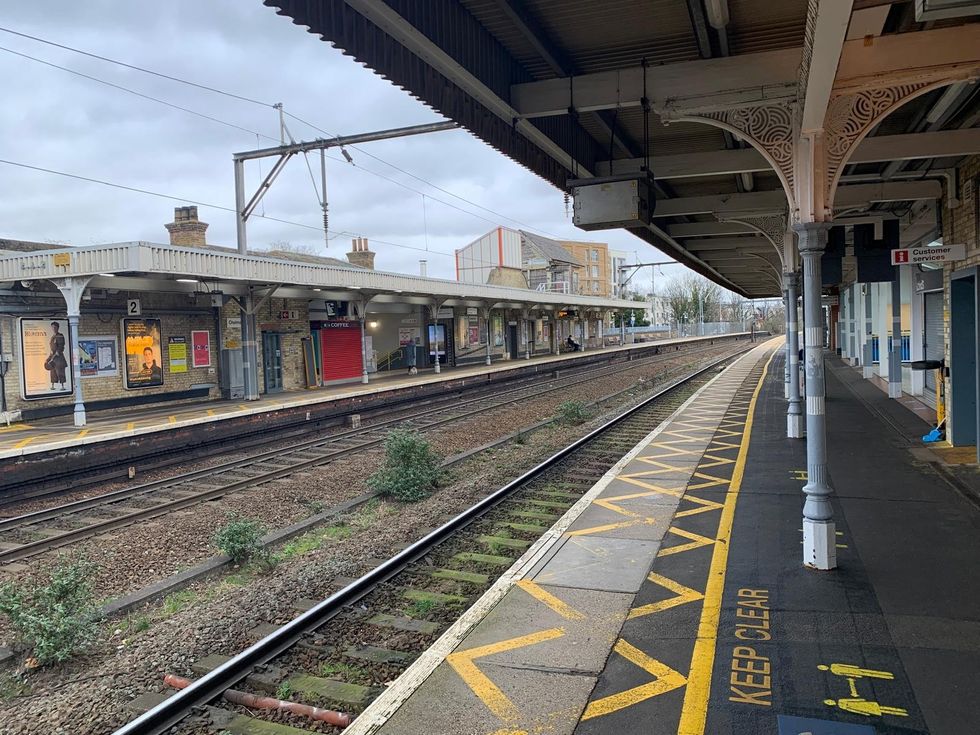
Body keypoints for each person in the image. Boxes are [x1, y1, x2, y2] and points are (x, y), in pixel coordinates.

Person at [45, 321, 68, 390]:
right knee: (53, 372)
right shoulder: (53, 337)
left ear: (58, 328)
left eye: (55, 327)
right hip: (53, 356)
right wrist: (49, 358)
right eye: (52, 327)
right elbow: (51, 349)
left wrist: (58, 352)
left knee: (60, 371)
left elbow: (61, 346)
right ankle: (53, 386)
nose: (53, 328)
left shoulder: (60, 335)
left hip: (59, 357)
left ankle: (62, 386)